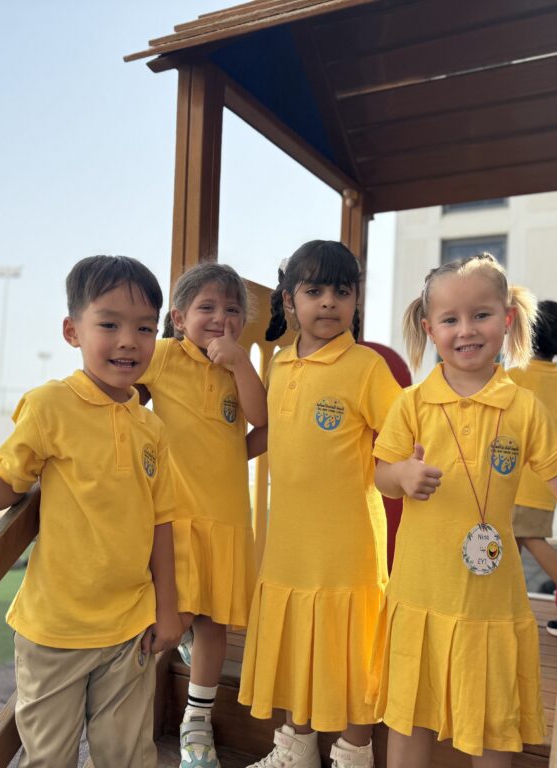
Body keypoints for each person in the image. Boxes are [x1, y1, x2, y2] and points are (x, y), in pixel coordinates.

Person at [0, 255, 183, 768]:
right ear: (71, 331)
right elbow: (8, 483)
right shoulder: (50, 404)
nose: (129, 340)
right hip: (55, 629)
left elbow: (161, 522)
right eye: (110, 324)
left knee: (128, 755)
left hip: (131, 626)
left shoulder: (152, 429)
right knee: (50, 757)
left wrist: (167, 607)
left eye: (145, 327)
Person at [371, 254, 557, 768]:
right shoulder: (412, 403)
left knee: (495, 722)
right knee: (409, 717)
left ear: (507, 319)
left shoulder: (524, 407)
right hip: (419, 593)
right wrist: (401, 476)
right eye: (450, 320)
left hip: (492, 602)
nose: (466, 331)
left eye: (481, 315)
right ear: (430, 329)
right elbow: (382, 474)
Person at [238, 241, 402, 768]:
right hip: (289, 540)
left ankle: (355, 752)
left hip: (347, 543)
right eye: (314, 291)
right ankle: (297, 747)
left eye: (341, 291)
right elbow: (267, 429)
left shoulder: (366, 366)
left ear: (356, 300)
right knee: (296, 642)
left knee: (351, 650)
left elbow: (403, 432)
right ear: (289, 300)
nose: (328, 302)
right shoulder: (281, 364)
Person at [136, 262, 267, 768]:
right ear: (178, 317)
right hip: (176, 515)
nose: (220, 318)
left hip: (228, 516)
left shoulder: (239, 368)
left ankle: (197, 722)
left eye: (232, 310)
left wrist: (240, 364)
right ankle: (133, 710)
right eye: (206, 308)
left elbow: (261, 420)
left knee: (214, 622)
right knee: (177, 611)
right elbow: (118, 387)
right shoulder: (164, 357)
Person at [508, 299, 557, 636]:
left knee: (531, 540)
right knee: (511, 545)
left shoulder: (511, 375)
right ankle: (504, 610)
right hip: (545, 478)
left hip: (513, 476)